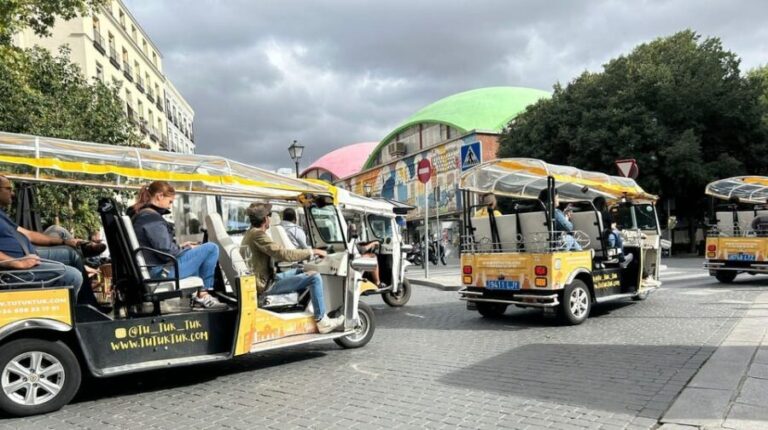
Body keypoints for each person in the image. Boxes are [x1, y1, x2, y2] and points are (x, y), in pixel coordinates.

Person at [242, 202, 343, 334]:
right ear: (266, 219)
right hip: (266, 285)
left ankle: (304, 307)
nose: (271, 218)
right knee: (315, 277)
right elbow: (284, 254)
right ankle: (322, 321)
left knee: (301, 270)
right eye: (270, 215)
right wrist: (312, 251)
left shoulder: (250, 233)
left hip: (265, 279)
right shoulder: (258, 235)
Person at [131, 181, 224, 309]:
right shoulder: (151, 219)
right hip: (160, 272)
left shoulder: (142, 216)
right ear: (159, 196)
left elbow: (160, 247)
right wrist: (184, 248)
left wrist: (183, 247)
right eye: (170, 201)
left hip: (154, 268)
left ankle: (198, 295)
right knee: (211, 248)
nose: (170, 206)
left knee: (195, 253)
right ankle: (202, 294)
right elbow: (167, 252)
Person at [0, 176, 84, 300]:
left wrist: (64, 241)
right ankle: (70, 316)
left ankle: (86, 306)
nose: (12, 193)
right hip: (10, 271)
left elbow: (28, 234)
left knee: (73, 254)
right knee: (73, 276)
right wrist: (16, 263)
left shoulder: (2, 215)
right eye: (8, 189)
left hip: (29, 256)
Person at [593, 196, 633, 264]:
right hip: (606, 242)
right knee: (616, 233)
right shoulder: (605, 213)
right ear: (604, 204)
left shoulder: (590, 215)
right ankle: (622, 259)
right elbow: (613, 227)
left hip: (590, 243)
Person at [348, 223, 385, 287]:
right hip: (353, 258)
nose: (355, 232)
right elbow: (362, 250)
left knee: (370, 255)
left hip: (353, 255)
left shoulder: (350, 239)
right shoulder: (351, 239)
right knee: (373, 257)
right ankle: (377, 282)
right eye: (354, 230)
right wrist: (373, 243)